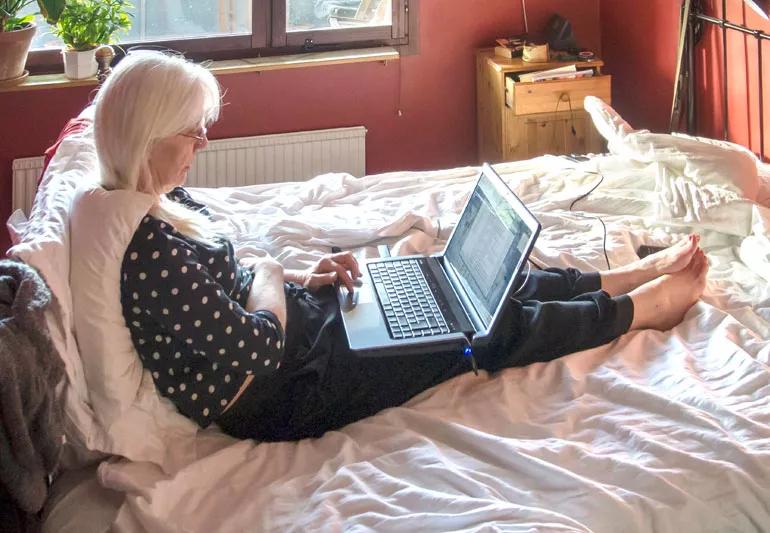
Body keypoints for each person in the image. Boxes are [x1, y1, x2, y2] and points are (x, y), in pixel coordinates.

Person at [94, 51, 708, 442]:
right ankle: (637, 311)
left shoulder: (168, 204)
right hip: (285, 387)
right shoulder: (148, 254)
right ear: (146, 136)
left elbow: (244, 283)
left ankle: (610, 280)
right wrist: (276, 271)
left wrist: (300, 279)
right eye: (190, 131)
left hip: (305, 333)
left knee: (461, 285)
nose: (202, 143)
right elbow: (255, 344)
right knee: (483, 333)